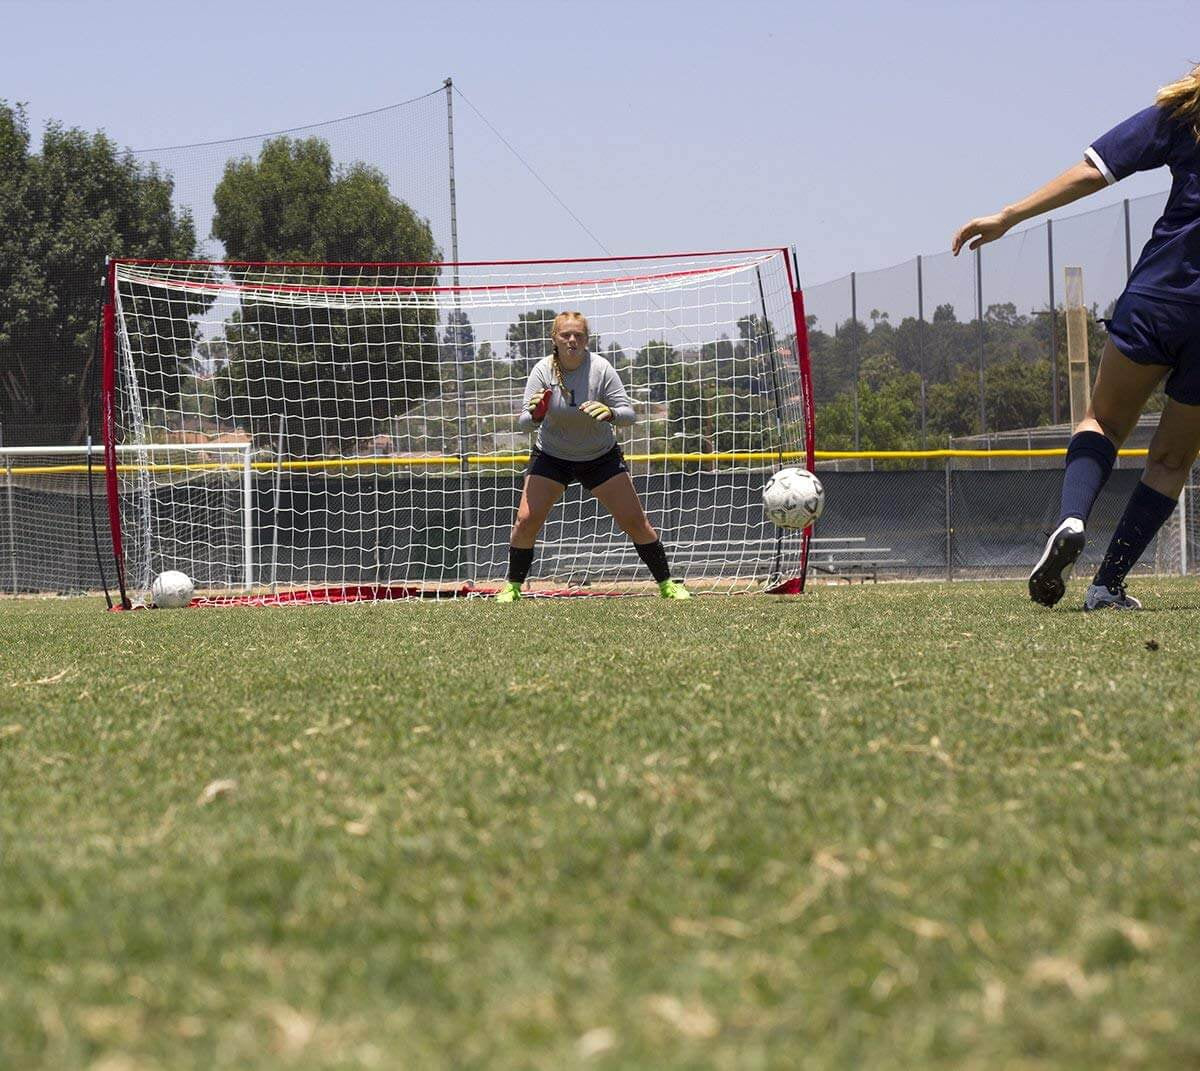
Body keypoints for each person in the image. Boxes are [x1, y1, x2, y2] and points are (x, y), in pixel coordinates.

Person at [953, 65, 1200, 610]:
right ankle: (1107, 585)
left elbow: (1094, 171)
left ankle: (1071, 518)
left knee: (1104, 422)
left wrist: (1009, 215)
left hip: (1159, 296)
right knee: (1171, 460)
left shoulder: (1187, 111)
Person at [495, 311, 691, 601]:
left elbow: (629, 415)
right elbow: (524, 423)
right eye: (565, 335)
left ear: (587, 339)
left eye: (578, 335)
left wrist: (610, 413)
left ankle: (667, 585)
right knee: (525, 520)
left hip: (600, 456)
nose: (572, 340)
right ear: (554, 339)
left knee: (635, 521)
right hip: (552, 456)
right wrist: (535, 414)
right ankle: (512, 587)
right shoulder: (542, 370)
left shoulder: (601, 368)